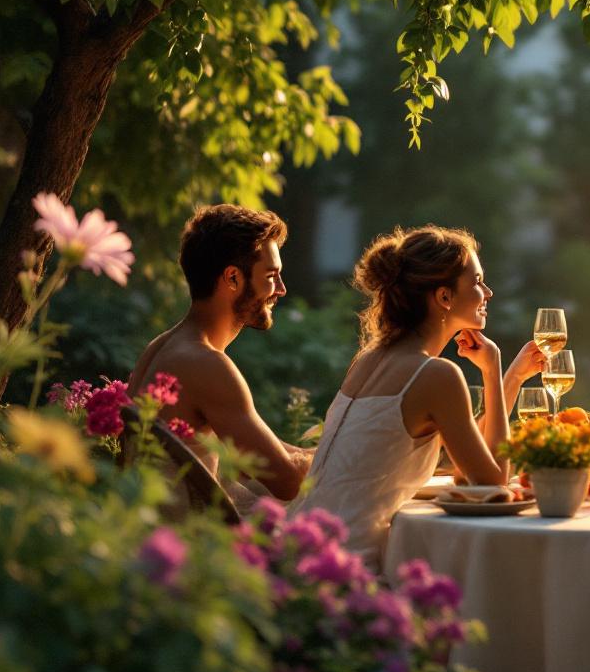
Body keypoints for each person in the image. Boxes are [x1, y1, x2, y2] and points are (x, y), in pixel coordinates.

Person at [290, 225, 545, 570]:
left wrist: (508, 378)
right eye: (477, 281)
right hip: (342, 571)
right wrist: (492, 368)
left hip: (296, 551)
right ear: (444, 297)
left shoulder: (369, 359)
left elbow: (467, 458)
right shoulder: (435, 375)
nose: (488, 292)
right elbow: (492, 482)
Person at [129, 204, 313, 503]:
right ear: (232, 278)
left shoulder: (163, 346)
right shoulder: (205, 363)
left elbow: (273, 454)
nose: (281, 289)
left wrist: (324, 450)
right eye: (271, 275)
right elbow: (287, 482)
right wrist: (342, 452)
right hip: (187, 543)